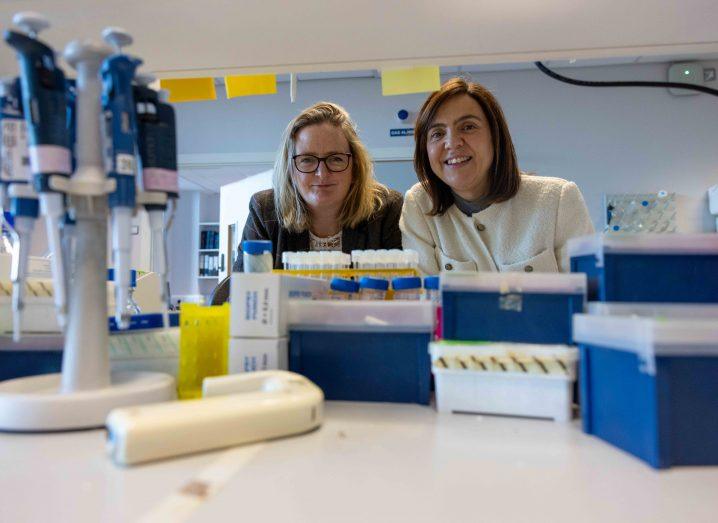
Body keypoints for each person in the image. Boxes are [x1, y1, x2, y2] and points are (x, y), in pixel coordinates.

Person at [211, 102, 402, 304]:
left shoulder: (387, 209)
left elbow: (402, 300)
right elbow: (244, 296)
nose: (322, 173)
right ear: (290, 169)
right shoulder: (265, 210)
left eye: (336, 159)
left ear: (354, 166)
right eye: (307, 160)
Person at [400, 78, 594, 275]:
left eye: (468, 127)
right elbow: (423, 296)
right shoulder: (420, 205)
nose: (452, 142)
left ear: (495, 135)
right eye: (437, 133)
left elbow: (588, 294)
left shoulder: (557, 200)